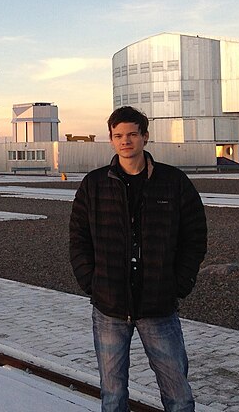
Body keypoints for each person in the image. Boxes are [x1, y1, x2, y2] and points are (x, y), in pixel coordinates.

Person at [69, 106, 207, 412]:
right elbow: (78, 239)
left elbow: (194, 235)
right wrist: (92, 282)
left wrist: (178, 283)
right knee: (113, 394)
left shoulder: (173, 182)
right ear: (111, 139)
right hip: (110, 306)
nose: (125, 141)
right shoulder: (94, 184)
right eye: (118, 135)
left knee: (178, 394)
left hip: (158, 305)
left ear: (145, 137)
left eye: (132, 134)